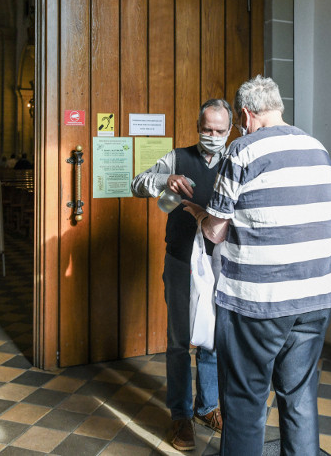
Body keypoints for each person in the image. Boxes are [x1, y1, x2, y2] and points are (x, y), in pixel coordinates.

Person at [183, 76, 331, 456]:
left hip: (258, 302)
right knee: (299, 399)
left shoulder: (243, 150)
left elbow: (216, 232)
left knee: (246, 401)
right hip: (315, 297)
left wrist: (199, 212)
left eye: (239, 121)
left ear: (247, 114)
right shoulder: (318, 149)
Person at [131, 98, 232, 451]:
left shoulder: (235, 161)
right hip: (180, 260)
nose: (213, 136)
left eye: (220, 131)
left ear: (230, 130)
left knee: (213, 337)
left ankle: (208, 407)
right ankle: (180, 416)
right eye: (207, 130)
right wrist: (165, 180)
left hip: (220, 261)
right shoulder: (177, 157)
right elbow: (137, 183)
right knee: (179, 341)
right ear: (197, 127)